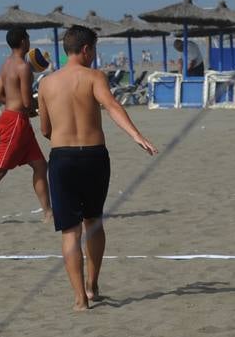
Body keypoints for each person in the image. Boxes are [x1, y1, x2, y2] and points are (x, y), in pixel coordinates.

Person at [37, 25, 158, 310]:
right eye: (94, 49)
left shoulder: (46, 84)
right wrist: (136, 135)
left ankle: (80, 299)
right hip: (94, 156)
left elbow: (44, 129)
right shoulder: (94, 77)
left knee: (70, 232)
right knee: (93, 221)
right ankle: (93, 285)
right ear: (86, 49)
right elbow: (112, 106)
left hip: (62, 157)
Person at [0, 28, 52, 225]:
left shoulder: (6, 64)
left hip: (13, 118)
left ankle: (48, 213)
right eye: (28, 38)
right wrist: (38, 107)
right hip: (15, 122)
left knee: (40, 166)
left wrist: (15, 104)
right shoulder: (23, 68)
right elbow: (27, 103)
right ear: (24, 41)